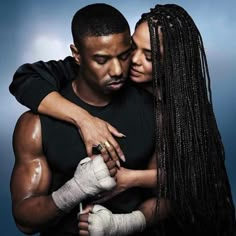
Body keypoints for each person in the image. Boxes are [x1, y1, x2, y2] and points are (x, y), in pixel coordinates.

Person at [10, 3, 236, 236]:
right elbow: (26, 79)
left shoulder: (170, 113)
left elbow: (188, 182)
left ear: (170, 62)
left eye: (147, 56)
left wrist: (124, 211)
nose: (123, 67)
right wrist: (84, 121)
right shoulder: (42, 116)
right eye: (132, 50)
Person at [10, 4, 160, 236]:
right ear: (77, 55)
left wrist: (122, 224)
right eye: (102, 60)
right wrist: (74, 190)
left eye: (124, 55)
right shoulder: (35, 126)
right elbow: (24, 220)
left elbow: (173, 195)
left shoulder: (154, 112)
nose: (118, 70)